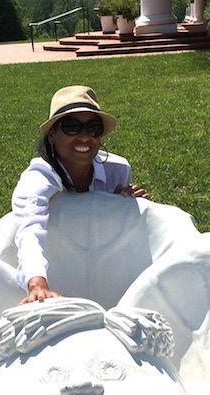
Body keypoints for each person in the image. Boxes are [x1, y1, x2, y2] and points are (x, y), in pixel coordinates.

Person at [12, 85, 149, 304]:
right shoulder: (38, 178)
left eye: (93, 128)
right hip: (57, 266)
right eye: (72, 127)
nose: (85, 137)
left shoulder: (118, 171)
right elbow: (30, 227)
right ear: (52, 134)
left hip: (101, 273)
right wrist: (37, 282)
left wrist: (125, 205)